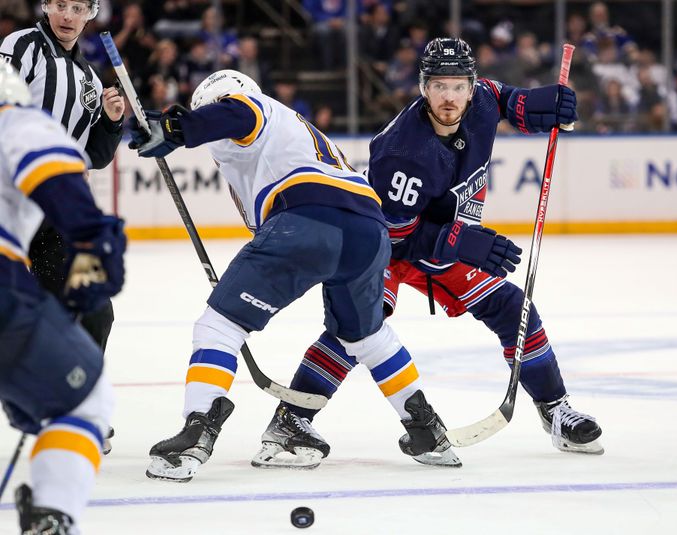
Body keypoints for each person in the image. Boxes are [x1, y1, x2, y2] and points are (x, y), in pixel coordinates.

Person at [275, 38, 604, 463]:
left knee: (512, 307)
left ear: (471, 86)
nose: (449, 97)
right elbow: (397, 241)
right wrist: (461, 240)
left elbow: (504, 98)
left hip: (443, 240)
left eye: (457, 86)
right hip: (379, 244)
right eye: (438, 86)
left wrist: (538, 104)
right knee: (357, 326)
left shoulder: (481, 98)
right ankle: (293, 417)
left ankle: (555, 410)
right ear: (422, 88)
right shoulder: (401, 152)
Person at [129, 69, 460, 482]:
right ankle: (426, 428)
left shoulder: (253, 109)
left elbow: (237, 114)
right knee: (366, 336)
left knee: (219, 326)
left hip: (306, 219)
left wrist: (177, 127)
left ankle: (197, 430)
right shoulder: (289, 133)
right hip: (368, 230)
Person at [0, 63, 126, 534]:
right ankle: (53, 517)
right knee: (85, 402)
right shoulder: (20, 123)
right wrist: (92, 266)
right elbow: (81, 218)